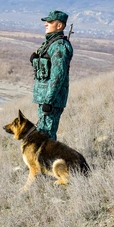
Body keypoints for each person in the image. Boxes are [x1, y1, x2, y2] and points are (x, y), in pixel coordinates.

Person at [30, 10, 73, 140]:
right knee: (42, 135)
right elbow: (45, 71)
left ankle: (50, 160)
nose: (46, 24)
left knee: (46, 137)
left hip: (51, 101)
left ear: (59, 26)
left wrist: (48, 101)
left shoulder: (59, 46)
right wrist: (35, 60)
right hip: (45, 99)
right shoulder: (50, 44)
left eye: (50, 22)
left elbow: (57, 77)